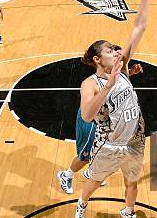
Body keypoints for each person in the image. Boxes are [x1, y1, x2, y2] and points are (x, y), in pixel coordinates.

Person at [74, 0, 157, 218]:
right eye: (110, 50)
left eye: (115, 48)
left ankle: (129, 210)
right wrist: (109, 85)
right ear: (98, 59)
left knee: (132, 182)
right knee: (96, 181)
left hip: (134, 137)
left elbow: (140, 26)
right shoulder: (90, 84)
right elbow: (87, 115)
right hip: (109, 144)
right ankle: (81, 203)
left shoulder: (122, 67)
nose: (116, 51)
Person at [57, 45, 143, 194]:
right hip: (90, 121)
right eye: (112, 53)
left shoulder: (114, 73)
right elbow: (92, 107)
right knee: (85, 155)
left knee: (104, 150)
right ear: (99, 59)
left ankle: (93, 171)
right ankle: (66, 175)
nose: (117, 56)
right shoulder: (93, 81)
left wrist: (130, 73)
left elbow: (115, 83)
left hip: (107, 121)